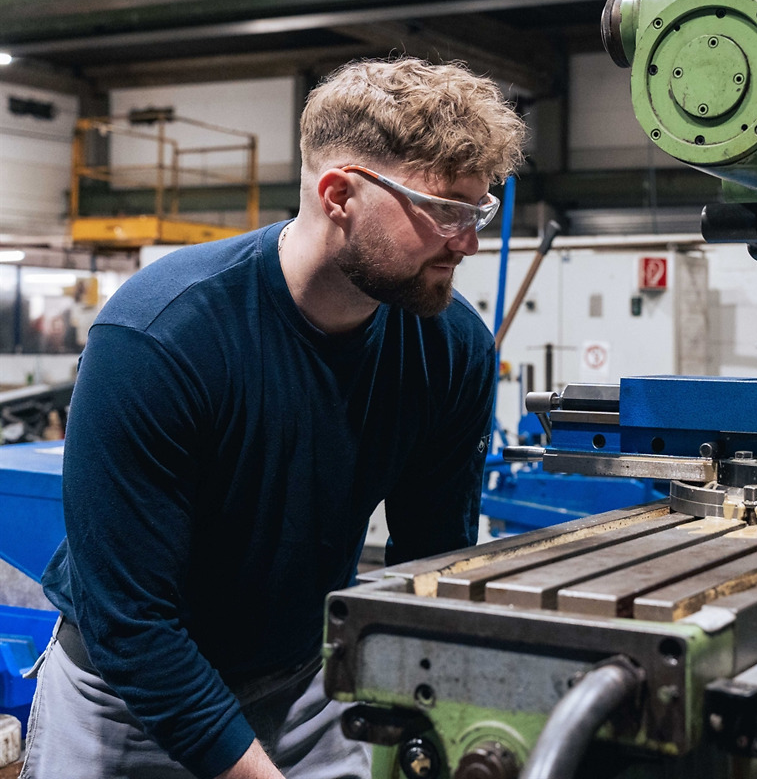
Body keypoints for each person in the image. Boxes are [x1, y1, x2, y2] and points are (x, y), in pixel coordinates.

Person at [21, 58, 527, 779]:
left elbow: (431, 560)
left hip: (301, 685)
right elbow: (132, 625)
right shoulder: (162, 338)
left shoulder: (450, 348)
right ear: (340, 195)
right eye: (445, 210)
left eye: (478, 212)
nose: (468, 242)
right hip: (127, 702)